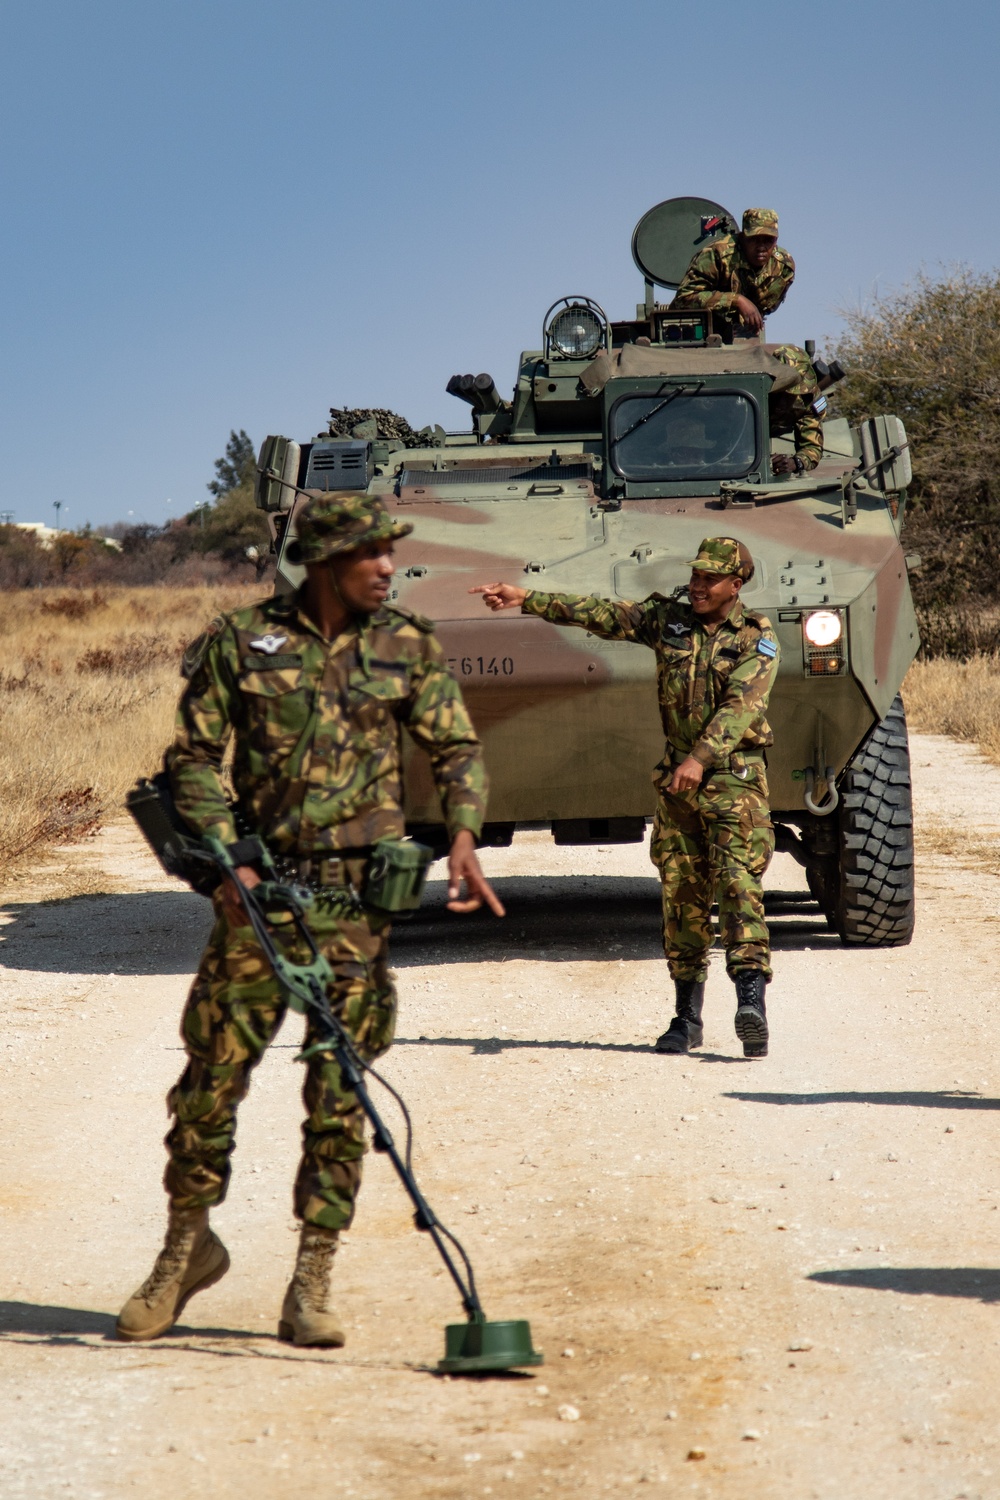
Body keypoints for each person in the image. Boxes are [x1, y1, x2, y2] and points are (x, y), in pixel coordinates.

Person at [117, 492, 503, 1347]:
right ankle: (186, 1249)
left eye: (390, 556)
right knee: (210, 1080)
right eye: (372, 556)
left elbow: (456, 749)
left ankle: (311, 1279)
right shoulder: (240, 644)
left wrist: (467, 835)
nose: (387, 568)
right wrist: (226, 857)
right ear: (325, 561)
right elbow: (191, 759)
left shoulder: (408, 643)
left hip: (358, 905)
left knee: (340, 1096)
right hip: (260, 896)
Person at [470, 537, 779, 1059]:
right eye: (695, 575)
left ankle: (751, 1002)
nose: (697, 585)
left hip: (733, 780)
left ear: (736, 584)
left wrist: (699, 759)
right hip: (678, 784)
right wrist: (527, 597)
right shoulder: (669, 621)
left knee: (736, 884)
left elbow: (741, 707)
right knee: (680, 896)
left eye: (709, 578)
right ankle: (686, 1018)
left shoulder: (758, 637)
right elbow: (603, 613)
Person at [670, 208, 794, 334]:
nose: (761, 247)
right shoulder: (716, 255)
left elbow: (766, 307)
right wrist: (736, 301)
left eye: (768, 240)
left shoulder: (783, 267)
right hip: (694, 330)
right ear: (742, 237)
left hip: (743, 335)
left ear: (776, 240)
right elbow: (684, 298)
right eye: (754, 239)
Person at [769, 343, 825, 474]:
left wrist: (796, 463)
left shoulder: (811, 399)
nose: (787, 398)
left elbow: (812, 447)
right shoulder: (752, 390)